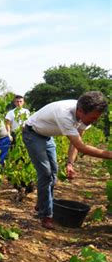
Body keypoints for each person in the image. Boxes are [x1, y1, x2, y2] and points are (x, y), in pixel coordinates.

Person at [22, 91, 111, 229]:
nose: (94, 121)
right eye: (93, 118)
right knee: (46, 173)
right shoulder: (64, 114)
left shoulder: (84, 115)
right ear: (80, 111)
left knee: (54, 173)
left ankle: (42, 202)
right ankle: (46, 215)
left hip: (47, 136)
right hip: (32, 134)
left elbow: (76, 142)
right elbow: (82, 147)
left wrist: (70, 163)